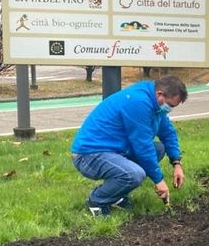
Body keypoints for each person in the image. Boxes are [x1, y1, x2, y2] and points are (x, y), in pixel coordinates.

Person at [71, 75, 187, 216]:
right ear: (160, 94)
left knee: (158, 149)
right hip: (89, 154)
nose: (169, 109)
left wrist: (176, 163)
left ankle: (116, 196)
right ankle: (97, 200)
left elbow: (167, 132)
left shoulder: (155, 104)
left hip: (114, 150)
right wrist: (159, 180)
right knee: (134, 174)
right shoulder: (138, 103)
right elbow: (142, 146)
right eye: (170, 105)